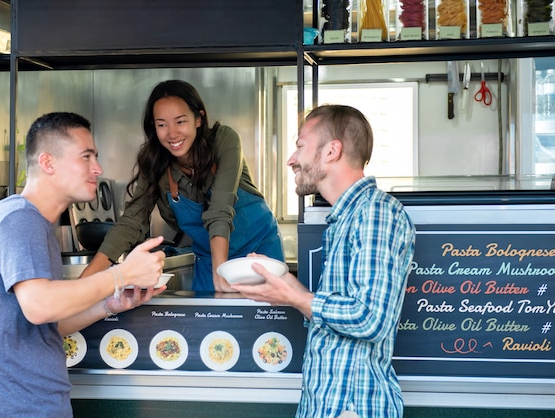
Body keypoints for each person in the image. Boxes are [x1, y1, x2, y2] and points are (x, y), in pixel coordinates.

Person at [0, 112, 166, 417]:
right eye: (86, 157)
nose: (97, 169)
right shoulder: (19, 219)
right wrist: (122, 273)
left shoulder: (34, 223)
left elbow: (48, 324)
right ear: (48, 163)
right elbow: (40, 306)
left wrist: (111, 305)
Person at [232, 105, 416, 418]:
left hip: (353, 408)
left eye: (300, 146)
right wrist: (290, 286)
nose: (292, 159)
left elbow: (369, 319)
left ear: (331, 151)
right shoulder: (345, 219)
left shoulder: (375, 213)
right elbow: (339, 315)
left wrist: (295, 296)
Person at [80, 80, 284, 292]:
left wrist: (220, 274)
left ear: (198, 118)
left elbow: (220, 210)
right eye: (162, 125)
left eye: (180, 122)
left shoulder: (224, 140)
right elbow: (130, 223)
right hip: (208, 260)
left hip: (258, 253)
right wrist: (84, 285)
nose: (172, 133)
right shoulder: (154, 163)